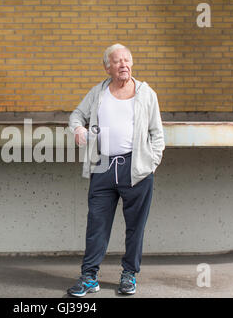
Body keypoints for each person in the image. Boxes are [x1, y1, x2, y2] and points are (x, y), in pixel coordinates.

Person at [67, 43, 165, 297]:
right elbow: (76, 115)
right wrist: (78, 129)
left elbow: (157, 134)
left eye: (127, 60)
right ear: (107, 67)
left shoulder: (146, 94)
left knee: (135, 226)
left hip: (136, 169)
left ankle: (129, 275)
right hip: (103, 167)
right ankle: (89, 277)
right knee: (96, 224)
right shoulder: (98, 93)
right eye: (118, 61)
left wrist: (150, 163)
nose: (124, 65)